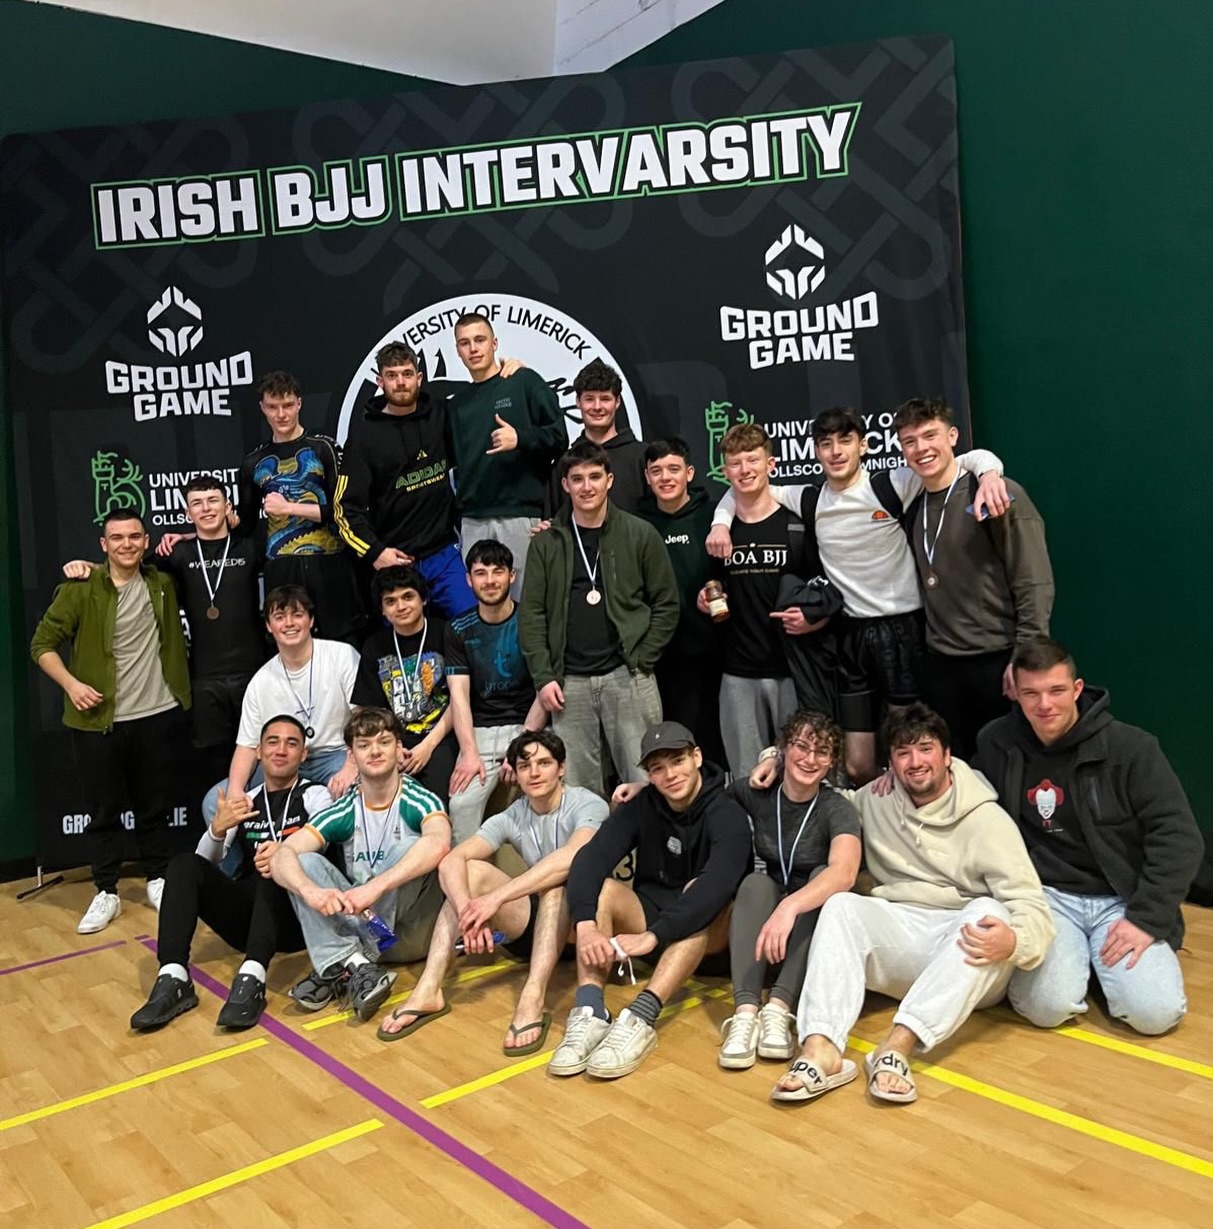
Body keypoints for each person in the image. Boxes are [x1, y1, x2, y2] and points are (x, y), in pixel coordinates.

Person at [769, 704, 1053, 1106]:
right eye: (903, 753)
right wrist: (774, 760)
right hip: (903, 938)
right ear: (890, 764)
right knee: (841, 906)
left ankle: (896, 1048)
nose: (915, 762)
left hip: (964, 957)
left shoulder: (987, 820)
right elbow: (822, 799)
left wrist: (1014, 942)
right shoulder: (876, 800)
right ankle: (821, 1050)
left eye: (925, 749)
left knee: (989, 914)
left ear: (947, 755)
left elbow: (1032, 908)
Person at [709, 408, 1008, 782]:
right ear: (816, 452)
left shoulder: (892, 485)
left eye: (845, 441)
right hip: (850, 635)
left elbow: (966, 459)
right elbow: (742, 488)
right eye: (826, 444)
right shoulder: (809, 498)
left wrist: (990, 475)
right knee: (857, 767)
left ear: (863, 446)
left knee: (909, 752)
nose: (836, 451)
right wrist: (720, 524)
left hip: (904, 632)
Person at [974, 639, 1203, 1035]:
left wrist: (1146, 919)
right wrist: (896, 783)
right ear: (1016, 694)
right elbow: (961, 790)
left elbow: (1180, 837)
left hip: (1120, 900)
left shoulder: (1131, 749)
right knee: (1046, 1007)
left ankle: (1098, 961)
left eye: (1056, 690)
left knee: (1155, 1015)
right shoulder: (997, 742)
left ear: (1077, 689)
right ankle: (1084, 962)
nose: (1045, 704)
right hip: (1047, 897)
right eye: (1031, 693)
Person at [377, 729, 608, 1049]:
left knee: (555, 888)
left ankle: (532, 998)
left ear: (561, 768)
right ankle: (428, 989)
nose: (534, 772)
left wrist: (495, 899)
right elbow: (451, 861)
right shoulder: (513, 815)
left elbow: (572, 857)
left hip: (586, 922)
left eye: (544, 763)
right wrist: (468, 912)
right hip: (538, 928)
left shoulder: (588, 804)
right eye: (525, 766)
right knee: (469, 871)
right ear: (516, 774)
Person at [551, 721, 751, 1080]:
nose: (670, 775)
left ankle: (641, 1016)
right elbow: (590, 858)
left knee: (699, 895)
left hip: (709, 937)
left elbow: (717, 885)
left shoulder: (727, 812)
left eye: (678, 761)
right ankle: (591, 1009)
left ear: (697, 757)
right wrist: (585, 925)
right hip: (651, 924)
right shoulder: (643, 805)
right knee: (604, 890)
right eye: (658, 768)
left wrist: (654, 935)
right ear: (648, 774)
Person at [32, 509, 190, 934]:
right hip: (97, 722)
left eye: (134, 537)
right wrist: (71, 685)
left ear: (146, 541)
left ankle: (158, 879)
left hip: (156, 714)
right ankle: (106, 892)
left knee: (154, 807)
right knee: (103, 813)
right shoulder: (80, 589)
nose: (126, 544)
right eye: (117, 538)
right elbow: (41, 645)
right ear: (104, 544)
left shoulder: (161, 583)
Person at [63, 476, 266, 801]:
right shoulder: (177, 554)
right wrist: (89, 566)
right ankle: (218, 831)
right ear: (187, 512)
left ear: (227, 506)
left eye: (213, 501)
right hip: (203, 679)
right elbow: (126, 569)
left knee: (261, 756)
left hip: (255, 674)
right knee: (213, 767)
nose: (206, 509)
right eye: (197, 503)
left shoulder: (251, 546)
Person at [130, 715, 330, 1032]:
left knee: (274, 865)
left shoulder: (316, 795)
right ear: (259, 752)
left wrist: (284, 852)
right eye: (273, 742)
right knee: (183, 864)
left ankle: (252, 978)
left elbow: (323, 842)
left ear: (303, 754)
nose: (281, 750)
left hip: (297, 918)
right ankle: (173, 976)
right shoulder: (246, 801)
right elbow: (202, 866)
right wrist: (217, 830)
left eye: (291, 744)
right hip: (248, 922)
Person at [894, 398, 1054, 759]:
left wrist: (1026, 655)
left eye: (930, 435)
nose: (921, 448)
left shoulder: (996, 493)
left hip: (998, 660)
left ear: (953, 436)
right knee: (959, 770)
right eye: (910, 441)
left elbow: (1033, 582)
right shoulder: (913, 502)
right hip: (941, 666)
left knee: (1010, 766)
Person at [270, 708, 452, 1022]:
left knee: (411, 847)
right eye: (364, 745)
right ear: (351, 755)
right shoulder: (345, 808)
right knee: (302, 862)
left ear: (399, 748)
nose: (375, 751)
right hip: (363, 925)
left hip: (409, 932)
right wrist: (310, 892)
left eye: (384, 742)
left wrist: (375, 887)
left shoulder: (419, 799)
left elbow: (440, 843)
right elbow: (282, 856)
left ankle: (340, 963)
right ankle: (355, 964)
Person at [519, 440, 679, 796]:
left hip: (628, 675)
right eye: (577, 479)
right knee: (579, 792)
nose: (586, 486)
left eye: (594, 477)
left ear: (610, 479)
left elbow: (667, 604)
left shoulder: (639, 533)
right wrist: (544, 677)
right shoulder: (546, 543)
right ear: (565, 485)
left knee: (647, 778)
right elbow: (531, 615)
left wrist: (643, 658)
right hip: (569, 684)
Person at [719, 710, 861, 1070]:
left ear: (831, 762)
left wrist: (790, 908)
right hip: (764, 925)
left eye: (822, 752)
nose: (810, 759)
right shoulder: (758, 792)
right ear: (783, 748)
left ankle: (779, 1009)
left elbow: (844, 872)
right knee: (755, 883)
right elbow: (700, 795)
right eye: (801, 746)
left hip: (807, 929)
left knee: (824, 879)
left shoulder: (836, 808)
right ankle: (746, 1012)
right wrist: (642, 789)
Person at [697, 423, 828, 778]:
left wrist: (816, 619)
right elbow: (710, 584)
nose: (745, 470)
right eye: (735, 463)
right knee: (745, 778)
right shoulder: (719, 531)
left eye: (753, 460)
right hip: (737, 672)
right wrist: (704, 599)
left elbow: (825, 588)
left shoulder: (796, 525)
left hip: (792, 671)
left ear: (770, 464)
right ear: (725, 471)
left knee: (801, 772)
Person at [333, 341, 474, 620]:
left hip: (444, 554)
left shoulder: (440, 414)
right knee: (407, 643)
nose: (400, 382)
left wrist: (510, 371)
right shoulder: (363, 437)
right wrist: (375, 553)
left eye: (407, 374)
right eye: (392, 375)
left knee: (473, 627)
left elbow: (482, 400)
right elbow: (344, 508)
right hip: (397, 561)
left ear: (419, 378)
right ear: (380, 381)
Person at [202, 585, 360, 829]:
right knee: (215, 803)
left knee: (358, 788)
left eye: (297, 615)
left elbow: (364, 718)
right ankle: (248, 857)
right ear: (268, 626)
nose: (289, 623)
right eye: (279, 617)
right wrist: (235, 790)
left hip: (335, 754)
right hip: (284, 759)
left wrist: (352, 765)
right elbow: (247, 746)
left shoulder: (341, 656)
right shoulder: (261, 681)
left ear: (311, 620)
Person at [238, 370, 362, 643]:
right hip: (281, 564)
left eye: (287, 405)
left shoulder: (324, 449)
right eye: (273, 407)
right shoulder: (253, 463)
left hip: (329, 560)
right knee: (287, 642)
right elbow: (243, 524)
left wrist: (290, 508)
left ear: (299, 404)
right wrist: (195, 535)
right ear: (262, 408)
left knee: (342, 641)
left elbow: (343, 511)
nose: (281, 414)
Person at [446, 312, 566, 593]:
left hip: (520, 518)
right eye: (465, 343)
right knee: (483, 607)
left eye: (480, 340)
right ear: (457, 351)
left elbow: (560, 437)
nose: (473, 349)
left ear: (495, 343)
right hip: (473, 521)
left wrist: (521, 438)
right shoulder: (456, 405)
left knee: (526, 603)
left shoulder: (523, 381)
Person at [446, 540, 546, 842]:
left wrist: (523, 743)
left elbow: (545, 686)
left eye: (498, 571)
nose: (490, 581)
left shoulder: (531, 620)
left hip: (531, 726)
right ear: (468, 580)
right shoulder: (458, 628)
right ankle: (465, 872)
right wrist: (468, 753)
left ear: (512, 576)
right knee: (460, 804)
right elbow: (459, 696)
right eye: (481, 573)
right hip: (481, 732)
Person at [634, 437, 725, 766]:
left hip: (709, 651)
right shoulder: (637, 523)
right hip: (657, 656)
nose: (665, 477)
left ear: (689, 473)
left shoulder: (714, 516)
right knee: (669, 744)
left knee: (711, 742)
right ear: (647, 477)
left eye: (673, 469)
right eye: (656, 471)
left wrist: (721, 588)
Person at [352, 565, 459, 804]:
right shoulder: (374, 646)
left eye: (408, 597)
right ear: (382, 609)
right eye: (390, 601)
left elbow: (461, 699)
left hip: (441, 735)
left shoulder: (446, 632)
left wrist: (428, 746)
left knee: (435, 800)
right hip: (393, 739)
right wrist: (394, 746)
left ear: (424, 599)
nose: (400, 606)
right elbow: (370, 710)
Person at [550, 359, 646, 514]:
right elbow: (554, 520)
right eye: (589, 399)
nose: (597, 407)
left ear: (617, 402)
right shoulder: (564, 463)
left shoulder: (642, 457)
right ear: (578, 402)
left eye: (605, 399)